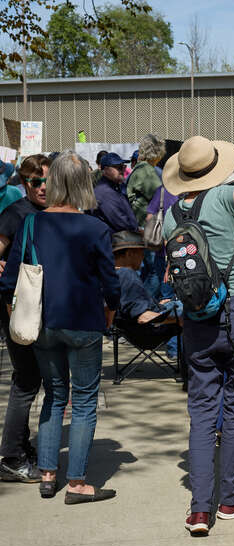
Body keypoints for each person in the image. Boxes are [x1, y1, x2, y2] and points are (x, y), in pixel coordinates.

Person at [162, 135, 234, 537]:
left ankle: (199, 510)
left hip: (196, 317)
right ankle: (231, 498)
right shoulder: (228, 196)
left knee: (201, 411)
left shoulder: (172, 215)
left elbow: (233, 244)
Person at [0, 151, 121, 503]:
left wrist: (15, 316)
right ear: (84, 184)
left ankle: (49, 475)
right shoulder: (95, 227)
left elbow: (8, 281)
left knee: (53, 396)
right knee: (83, 401)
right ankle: (78, 482)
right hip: (83, 321)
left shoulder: (32, 224)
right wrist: (111, 311)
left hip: (43, 323)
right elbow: (110, 283)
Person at [0, 155, 50, 482]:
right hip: (16, 308)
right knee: (27, 379)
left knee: (34, 378)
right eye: (36, 182)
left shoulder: (48, 212)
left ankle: (20, 446)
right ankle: (11, 456)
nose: (43, 187)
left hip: (39, 309)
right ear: (25, 184)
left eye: (48, 181)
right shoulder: (15, 214)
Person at [112, 230, 182, 324]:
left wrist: (157, 304)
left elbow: (131, 304)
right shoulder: (126, 274)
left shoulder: (112, 274)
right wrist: (179, 321)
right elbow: (144, 317)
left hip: (157, 309)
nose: (143, 256)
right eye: (141, 252)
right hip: (155, 324)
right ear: (129, 254)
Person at [129, 134, 166, 297]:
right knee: (156, 271)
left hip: (141, 226)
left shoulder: (139, 168)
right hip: (150, 228)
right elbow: (162, 198)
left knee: (147, 270)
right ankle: (146, 305)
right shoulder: (147, 171)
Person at [92, 152, 139, 232]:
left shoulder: (115, 187)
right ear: (105, 170)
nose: (122, 170)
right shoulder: (104, 192)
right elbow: (121, 222)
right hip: (113, 241)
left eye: (123, 166)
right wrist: (135, 229)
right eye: (118, 167)